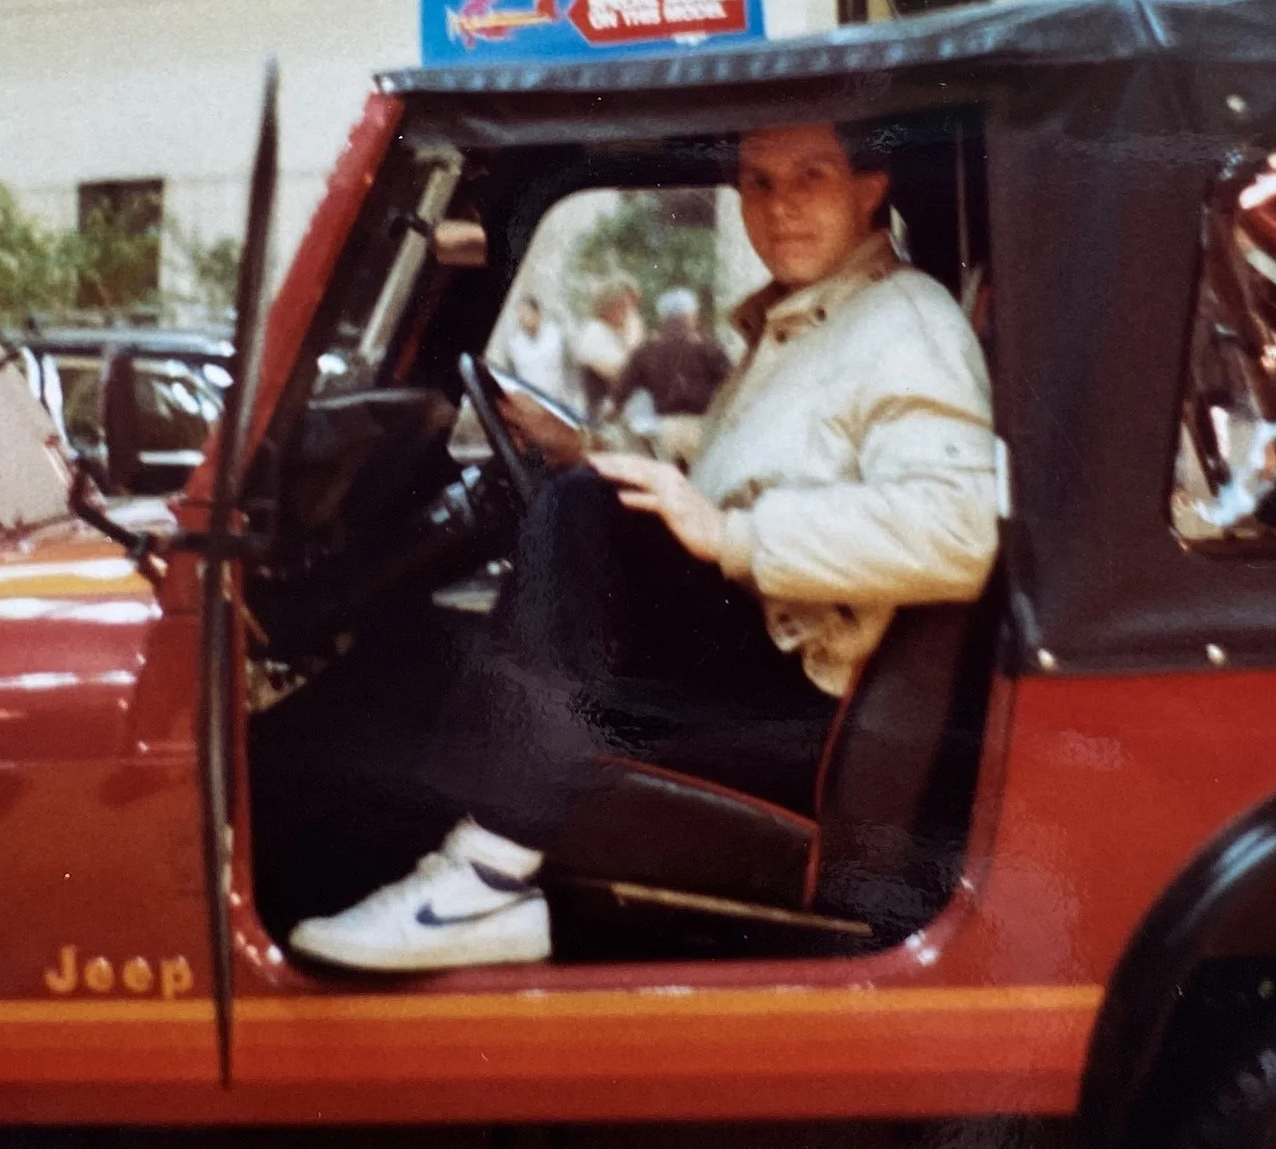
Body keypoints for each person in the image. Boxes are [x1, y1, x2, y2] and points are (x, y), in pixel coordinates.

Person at [285, 121, 998, 971]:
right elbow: (737, 477)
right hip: (765, 656)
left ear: (870, 186)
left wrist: (729, 534)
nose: (781, 208)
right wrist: (585, 449)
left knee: (586, 515)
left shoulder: (904, 323)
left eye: (811, 176)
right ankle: (394, 872)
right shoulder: (807, 325)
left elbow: (959, 530)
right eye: (760, 183)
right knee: (420, 652)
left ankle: (485, 874)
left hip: (799, 695)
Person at [609, 287, 730, 420]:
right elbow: (730, 379)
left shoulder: (645, 350)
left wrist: (613, 411)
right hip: (708, 421)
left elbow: (622, 389)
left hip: (667, 425)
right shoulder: (706, 346)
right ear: (690, 315)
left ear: (662, 317)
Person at [568, 283, 643, 417]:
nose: (629, 314)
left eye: (631, 307)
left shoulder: (616, 333)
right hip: (592, 417)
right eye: (623, 307)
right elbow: (621, 375)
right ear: (608, 307)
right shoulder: (593, 332)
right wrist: (634, 341)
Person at [498, 295, 571, 402]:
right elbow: (512, 376)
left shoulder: (556, 335)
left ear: (537, 312)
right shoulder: (514, 346)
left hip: (558, 400)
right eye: (519, 314)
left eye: (526, 313)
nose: (522, 318)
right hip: (532, 404)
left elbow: (569, 366)